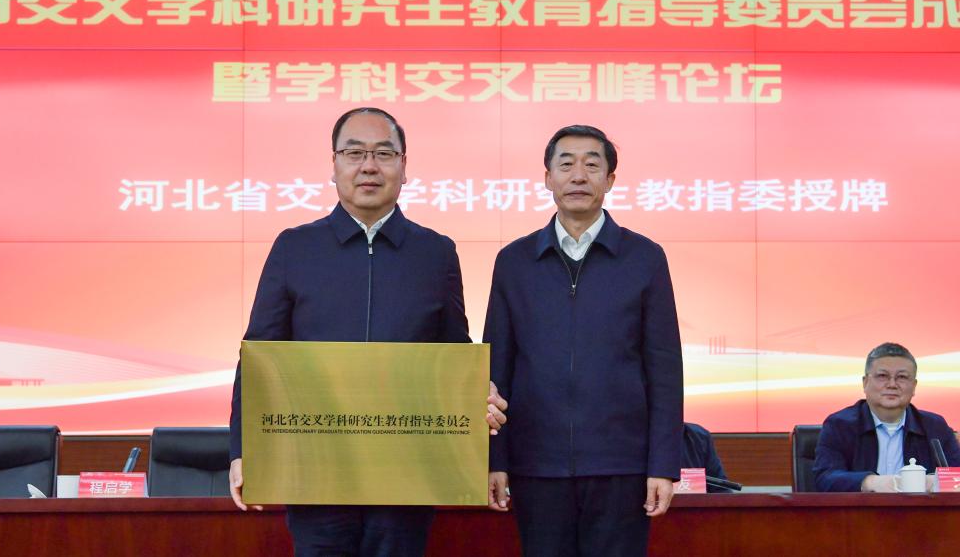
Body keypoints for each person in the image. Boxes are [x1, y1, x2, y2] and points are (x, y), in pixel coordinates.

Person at [228, 107, 506, 557]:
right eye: (354, 153)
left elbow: (453, 353)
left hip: (408, 469)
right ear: (334, 164)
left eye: (383, 153)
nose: (369, 166)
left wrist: (477, 394)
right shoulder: (295, 247)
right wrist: (243, 449)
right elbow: (259, 355)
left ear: (404, 166)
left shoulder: (435, 253)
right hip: (315, 466)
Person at [484, 125, 683, 557]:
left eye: (592, 165)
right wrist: (494, 459)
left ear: (609, 180)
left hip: (621, 465)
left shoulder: (644, 258)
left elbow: (664, 370)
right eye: (566, 164)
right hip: (536, 464)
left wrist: (663, 466)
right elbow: (496, 370)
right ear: (547, 178)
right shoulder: (514, 261)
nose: (578, 175)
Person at [813, 342, 960, 492]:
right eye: (882, 376)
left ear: (914, 386)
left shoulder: (935, 427)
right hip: (861, 507)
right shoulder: (839, 425)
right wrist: (870, 482)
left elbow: (957, 478)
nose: (892, 384)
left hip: (919, 507)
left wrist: (934, 482)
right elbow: (825, 479)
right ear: (865, 383)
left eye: (902, 377)